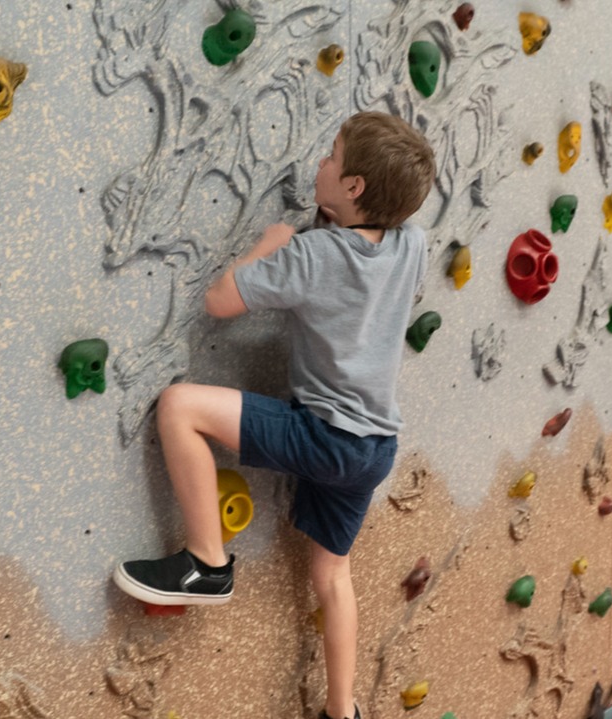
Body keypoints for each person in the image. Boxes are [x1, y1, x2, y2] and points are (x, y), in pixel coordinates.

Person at [112, 111, 435, 719]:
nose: (320, 164)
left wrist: (267, 246)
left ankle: (208, 562)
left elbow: (220, 301)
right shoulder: (411, 244)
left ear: (355, 187)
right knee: (332, 576)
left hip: (325, 435)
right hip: (374, 449)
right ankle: (343, 711)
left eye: (332, 159)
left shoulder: (311, 255)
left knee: (180, 406)